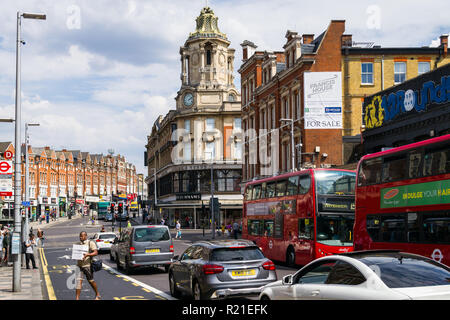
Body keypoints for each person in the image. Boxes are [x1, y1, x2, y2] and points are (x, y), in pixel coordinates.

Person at [76, 231, 101, 300]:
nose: (81, 237)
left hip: (87, 265)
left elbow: (96, 252)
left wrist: (88, 254)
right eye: (80, 236)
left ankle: (97, 294)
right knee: (78, 282)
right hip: (79, 265)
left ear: (86, 236)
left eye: (82, 236)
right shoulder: (78, 244)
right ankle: (77, 298)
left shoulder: (90, 243)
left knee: (91, 281)